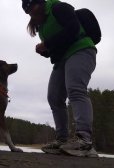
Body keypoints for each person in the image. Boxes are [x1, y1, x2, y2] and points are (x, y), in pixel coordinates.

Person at [22, 0, 98, 157]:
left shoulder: (58, 7)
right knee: (54, 97)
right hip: (62, 59)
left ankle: (85, 141)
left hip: (81, 49)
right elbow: (57, 44)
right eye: (28, 11)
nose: (31, 13)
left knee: (76, 89)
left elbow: (73, 29)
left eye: (32, 7)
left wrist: (47, 43)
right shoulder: (40, 24)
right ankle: (62, 140)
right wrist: (45, 51)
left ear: (40, 2)